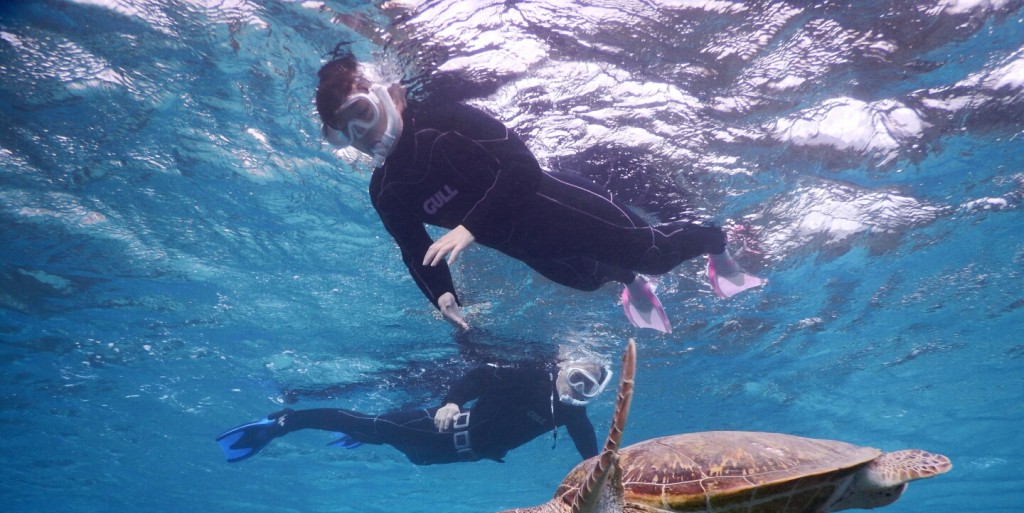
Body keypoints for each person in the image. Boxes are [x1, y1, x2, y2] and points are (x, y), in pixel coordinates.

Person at [314, 48, 763, 334]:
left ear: (389, 95)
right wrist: (443, 296)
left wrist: (470, 227)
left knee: (656, 256)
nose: (360, 135)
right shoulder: (386, 191)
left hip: (563, 205)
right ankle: (632, 282)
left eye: (361, 114)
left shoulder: (446, 121)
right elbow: (415, 252)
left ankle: (718, 245)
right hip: (526, 245)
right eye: (343, 131)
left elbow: (523, 170)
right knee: (587, 280)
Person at [215, 356, 610, 465]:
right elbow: (478, 375)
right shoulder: (531, 375)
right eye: (577, 377)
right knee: (370, 424)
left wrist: (600, 468)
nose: (577, 390)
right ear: (564, 367)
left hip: (440, 457)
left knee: (378, 435)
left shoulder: (571, 413)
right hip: (439, 429)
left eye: (588, 387)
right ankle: (282, 423)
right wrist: (451, 402)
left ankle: (366, 434)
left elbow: (588, 448)